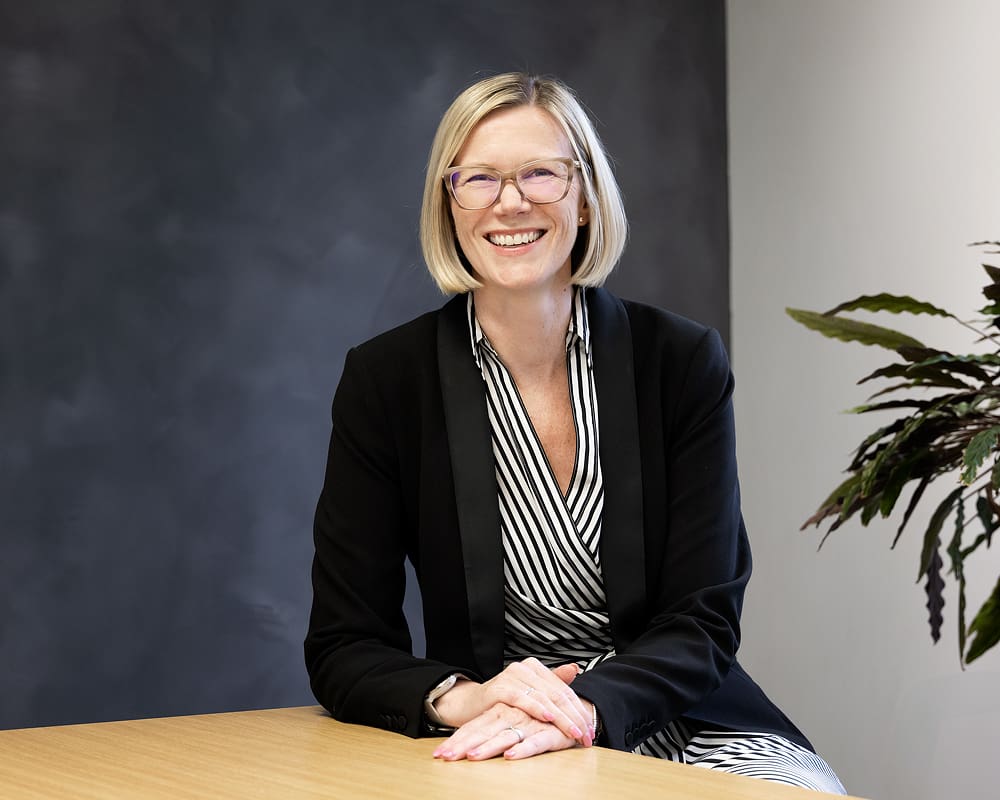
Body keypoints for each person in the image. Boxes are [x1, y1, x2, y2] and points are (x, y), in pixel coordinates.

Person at [304, 72, 845, 793]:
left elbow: (704, 621)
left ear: (585, 197)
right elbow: (343, 644)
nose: (510, 202)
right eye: (480, 179)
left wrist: (584, 709)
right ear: (449, 204)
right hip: (499, 734)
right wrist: (465, 700)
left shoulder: (680, 362)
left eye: (540, 174)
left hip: (678, 716)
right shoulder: (387, 380)